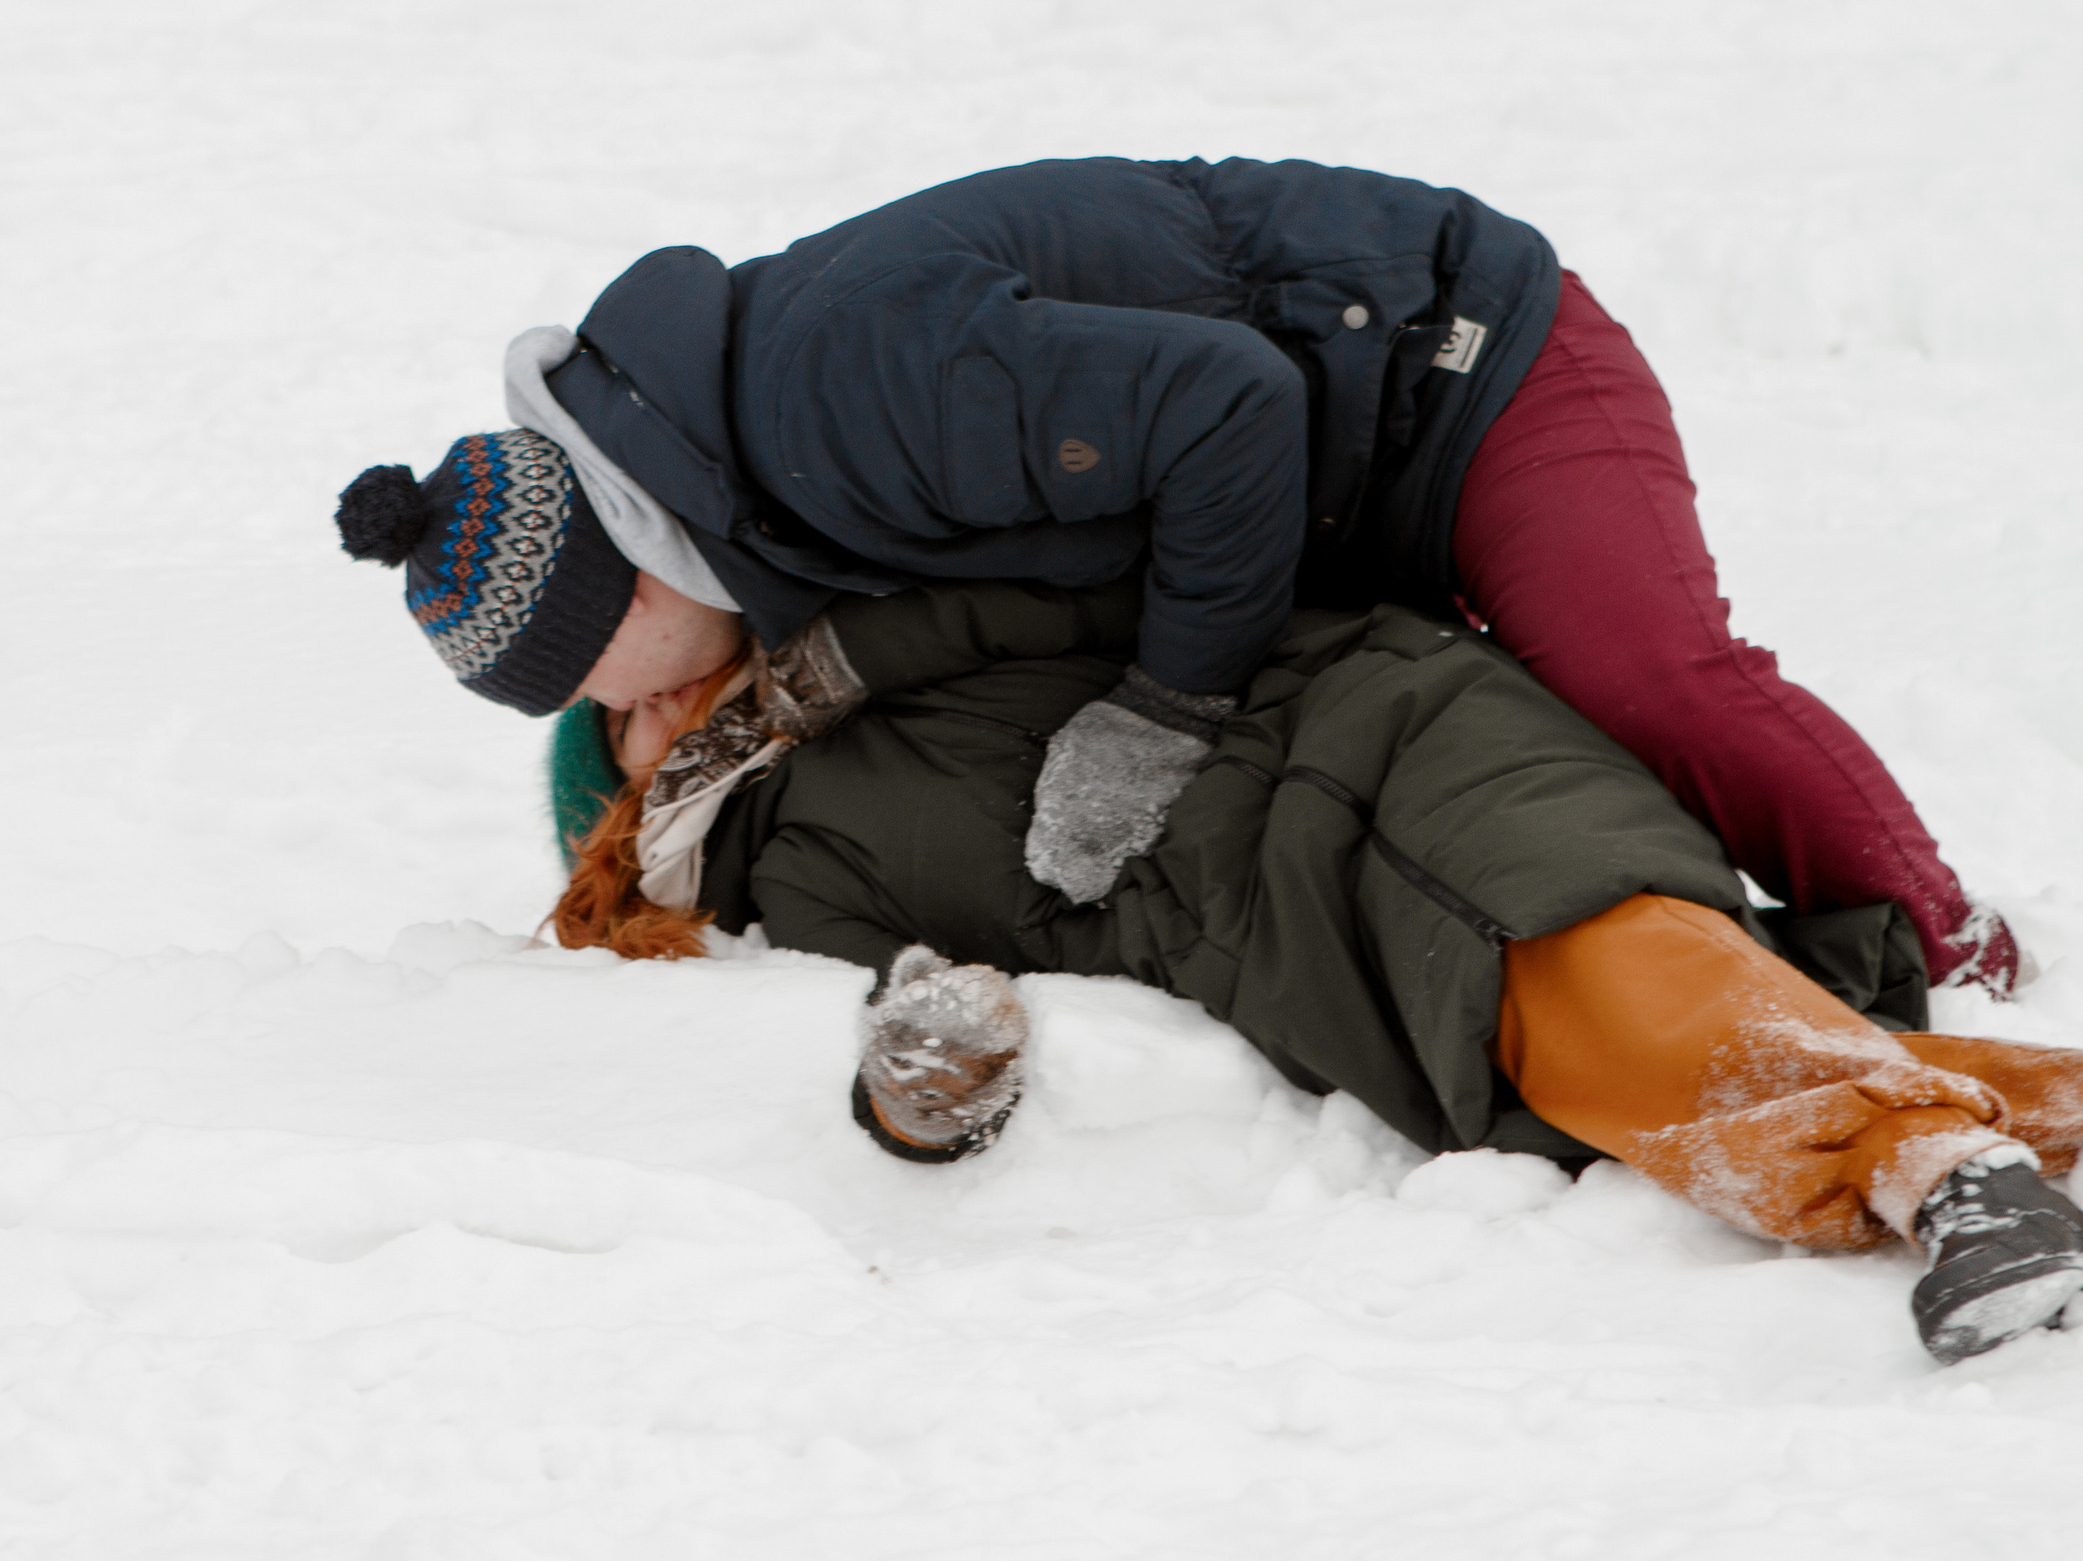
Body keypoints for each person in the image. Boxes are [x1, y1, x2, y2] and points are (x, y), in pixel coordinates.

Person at [340, 156, 2016, 992]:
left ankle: (1947, 934)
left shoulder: (836, 399)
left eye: (597, 694)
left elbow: (1235, 406)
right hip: (1348, 482)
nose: (635, 716)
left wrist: (1167, 709)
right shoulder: (751, 502)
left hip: (1466, 370)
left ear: (629, 596)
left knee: (1639, 680)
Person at [531, 571, 2083, 1367]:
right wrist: (925, 1083)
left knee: (1592, 962)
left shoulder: (860, 638)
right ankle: (2007, 1125)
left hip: (1379, 722)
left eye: (643, 701)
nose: (654, 724)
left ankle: (1936, 1172)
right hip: (1295, 930)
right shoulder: (774, 892)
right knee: (1593, 1038)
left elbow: (1099, 593)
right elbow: (911, 1025)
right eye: (620, 744)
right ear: (608, 822)